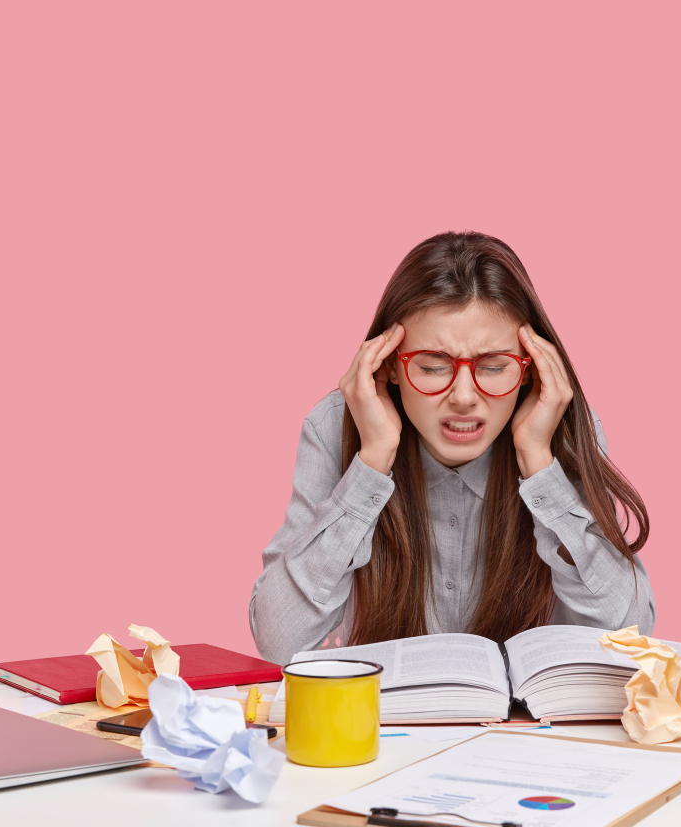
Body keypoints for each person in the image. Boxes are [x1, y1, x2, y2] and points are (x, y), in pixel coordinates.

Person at [250, 231, 654, 663]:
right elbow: (278, 643)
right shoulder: (337, 427)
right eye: (433, 366)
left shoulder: (564, 431)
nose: (463, 396)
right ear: (389, 364)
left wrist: (540, 465)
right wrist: (371, 464)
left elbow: (627, 633)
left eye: (494, 366)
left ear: (531, 369)